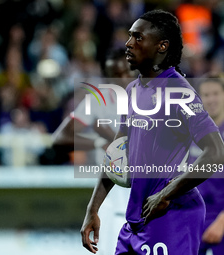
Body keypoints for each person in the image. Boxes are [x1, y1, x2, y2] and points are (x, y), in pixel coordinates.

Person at [80, 10, 224, 255]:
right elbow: (116, 152)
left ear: (161, 46)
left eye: (138, 37)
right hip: (137, 218)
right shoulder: (136, 89)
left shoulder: (180, 93)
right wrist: (93, 209)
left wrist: (166, 194)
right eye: (129, 36)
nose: (128, 44)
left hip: (172, 217)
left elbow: (216, 152)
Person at [53, 49, 133, 254]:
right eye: (115, 75)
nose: (123, 79)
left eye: (127, 72)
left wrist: (111, 137)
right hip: (110, 201)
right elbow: (60, 139)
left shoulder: (150, 98)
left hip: (143, 196)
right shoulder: (98, 99)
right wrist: (98, 141)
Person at [188, 78, 224, 255]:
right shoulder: (190, 133)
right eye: (206, 95)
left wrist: (222, 222)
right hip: (193, 220)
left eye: (216, 93)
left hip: (221, 218)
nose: (211, 99)